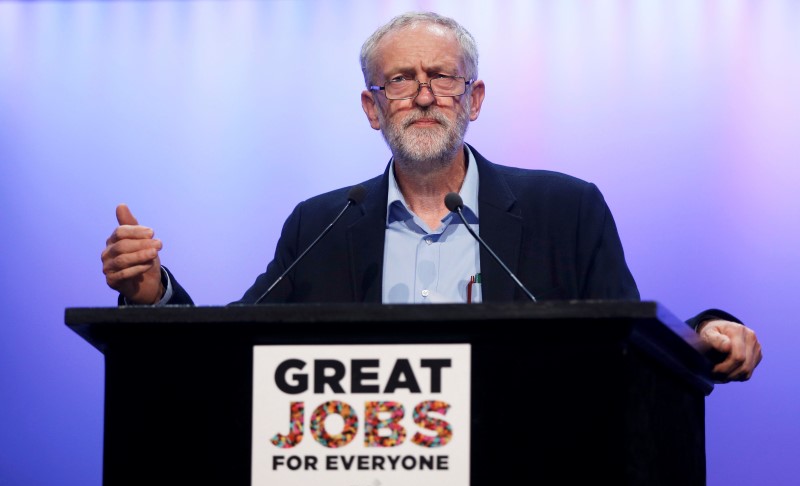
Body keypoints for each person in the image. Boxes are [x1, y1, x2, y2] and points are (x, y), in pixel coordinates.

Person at [101, 11, 761, 382]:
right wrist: (153, 293)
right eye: (400, 81)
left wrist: (703, 336)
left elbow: (628, 346)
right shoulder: (322, 224)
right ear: (371, 108)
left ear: (473, 100)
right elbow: (232, 350)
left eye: (442, 78)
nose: (421, 94)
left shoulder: (567, 209)